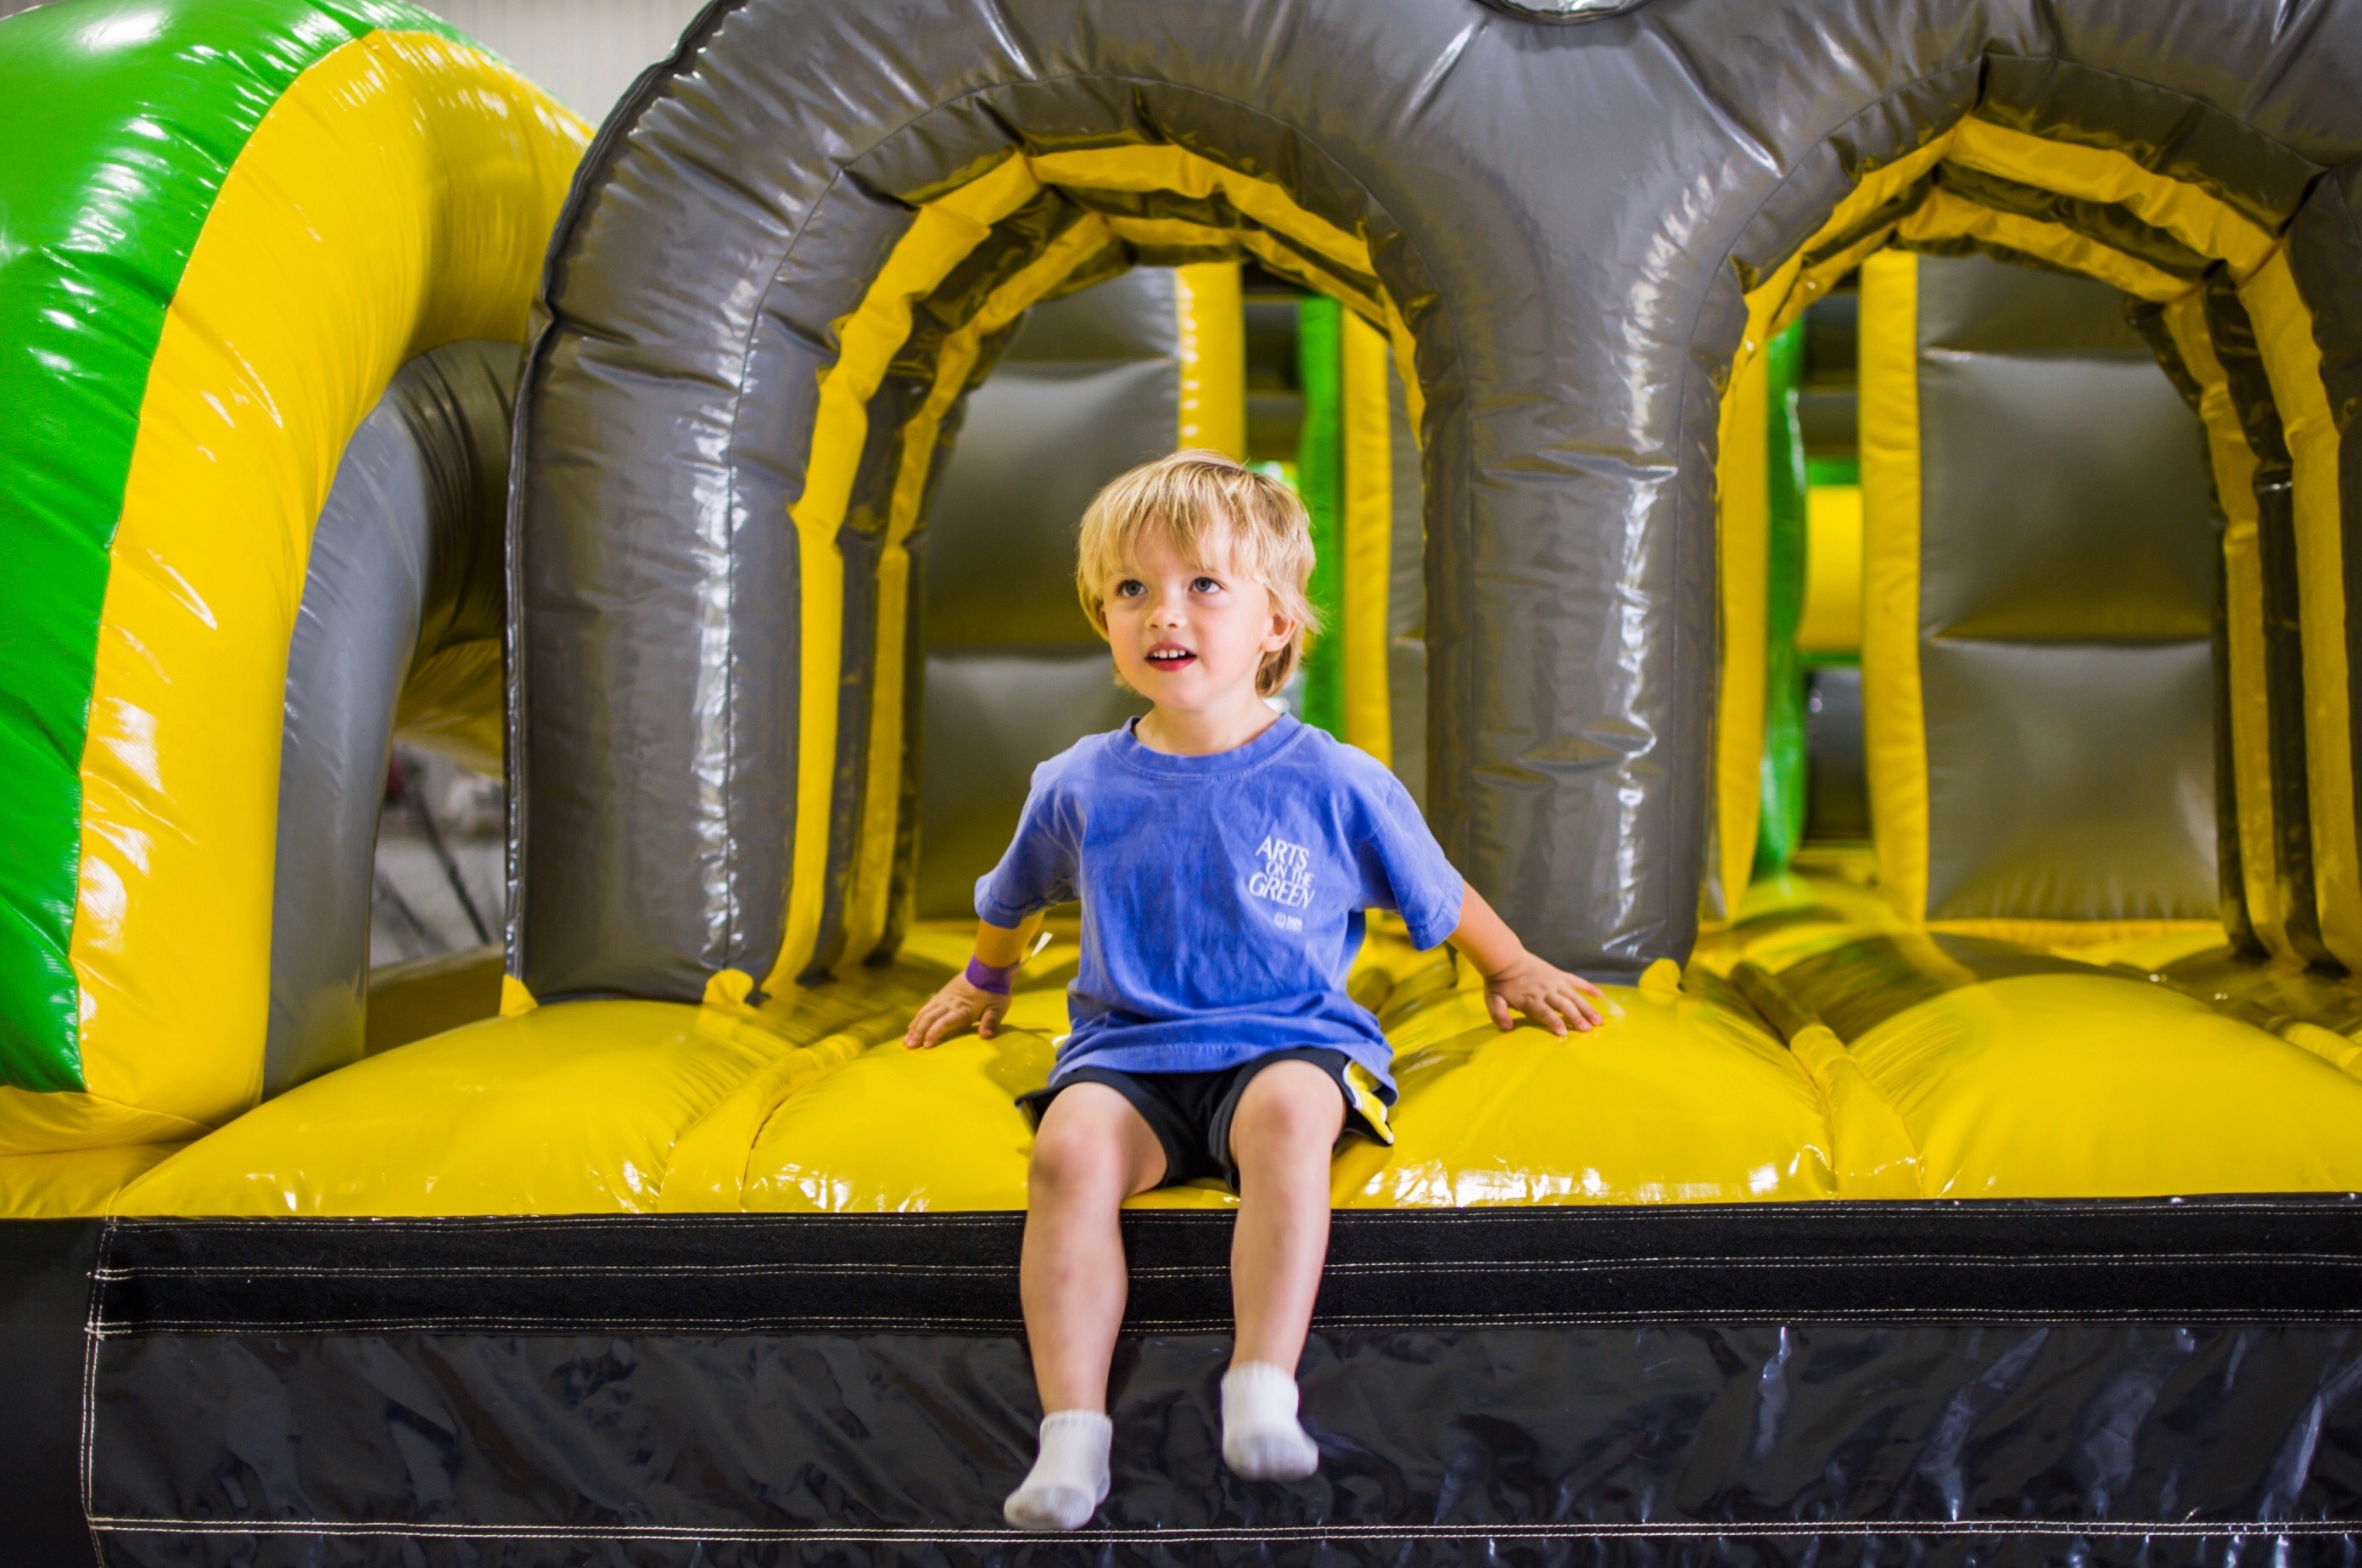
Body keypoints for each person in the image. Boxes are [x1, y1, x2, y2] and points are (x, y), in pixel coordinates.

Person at [902, 450, 1604, 1532]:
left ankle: (1262, 1382)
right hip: (1130, 1055)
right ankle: (1072, 1432)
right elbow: (1013, 895)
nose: (1161, 612)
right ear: (1103, 618)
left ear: (1276, 622)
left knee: (1285, 1116)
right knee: (1067, 1151)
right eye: (1130, 589)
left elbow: (1437, 889)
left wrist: (1510, 966)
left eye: (1202, 585)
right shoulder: (1077, 782)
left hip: (1290, 1040)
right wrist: (984, 982)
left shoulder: (1333, 779)